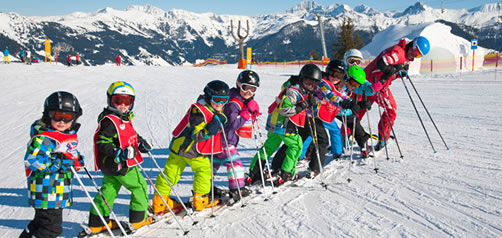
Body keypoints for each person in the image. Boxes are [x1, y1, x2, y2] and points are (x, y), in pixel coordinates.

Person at [85, 81, 153, 234]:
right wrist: (117, 152)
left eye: (127, 101)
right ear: (110, 100)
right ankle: (138, 220)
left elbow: (128, 135)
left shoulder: (120, 117)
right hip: (121, 163)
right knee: (139, 187)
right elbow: (102, 141)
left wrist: (140, 142)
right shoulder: (111, 121)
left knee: (108, 190)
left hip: (110, 166)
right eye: (118, 101)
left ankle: (97, 222)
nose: (123, 105)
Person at [153, 80, 229, 214]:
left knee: (171, 173)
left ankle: (160, 201)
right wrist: (214, 125)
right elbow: (198, 136)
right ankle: (200, 198)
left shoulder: (206, 108)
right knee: (204, 171)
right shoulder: (199, 112)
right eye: (217, 100)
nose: (220, 104)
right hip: (193, 150)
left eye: (224, 100)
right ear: (208, 96)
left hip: (179, 147)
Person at [20, 91, 84, 238]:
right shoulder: (45, 138)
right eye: (57, 115)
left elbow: (68, 154)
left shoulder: (63, 136)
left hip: (56, 191)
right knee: (51, 229)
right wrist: (58, 163)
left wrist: (76, 160)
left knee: (40, 223)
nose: (62, 121)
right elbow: (32, 160)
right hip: (46, 191)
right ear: (48, 115)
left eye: (67, 117)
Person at [247, 64, 320, 186]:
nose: (310, 87)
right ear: (301, 79)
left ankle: (254, 172)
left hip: (274, 122)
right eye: (308, 83)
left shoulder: (296, 88)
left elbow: (287, 88)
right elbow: (285, 110)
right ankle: (286, 173)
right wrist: (303, 105)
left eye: (314, 85)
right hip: (284, 124)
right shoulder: (293, 91)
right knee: (296, 146)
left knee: (269, 147)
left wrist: (312, 102)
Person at [357, 36, 430, 150]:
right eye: (415, 51)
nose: (415, 55)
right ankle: (383, 139)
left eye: (419, 55)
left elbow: (394, 67)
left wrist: (399, 71)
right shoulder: (398, 51)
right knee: (391, 110)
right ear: (412, 45)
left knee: (360, 108)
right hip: (377, 84)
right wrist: (395, 70)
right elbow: (383, 63)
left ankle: (346, 136)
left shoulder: (404, 53)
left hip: (368, 81)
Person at [215, 70, 260, 201]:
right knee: (235, 164)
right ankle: (237, 188)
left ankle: (205, 188)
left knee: (213, 164)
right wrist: (247, 111)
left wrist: (249, 110)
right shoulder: (233, 103)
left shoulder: (238, 99)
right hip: (225, 140)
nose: (249, 93)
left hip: (220, 140)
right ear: (238, 84)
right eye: (246, 88)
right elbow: (233, 124)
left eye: (253, 89)